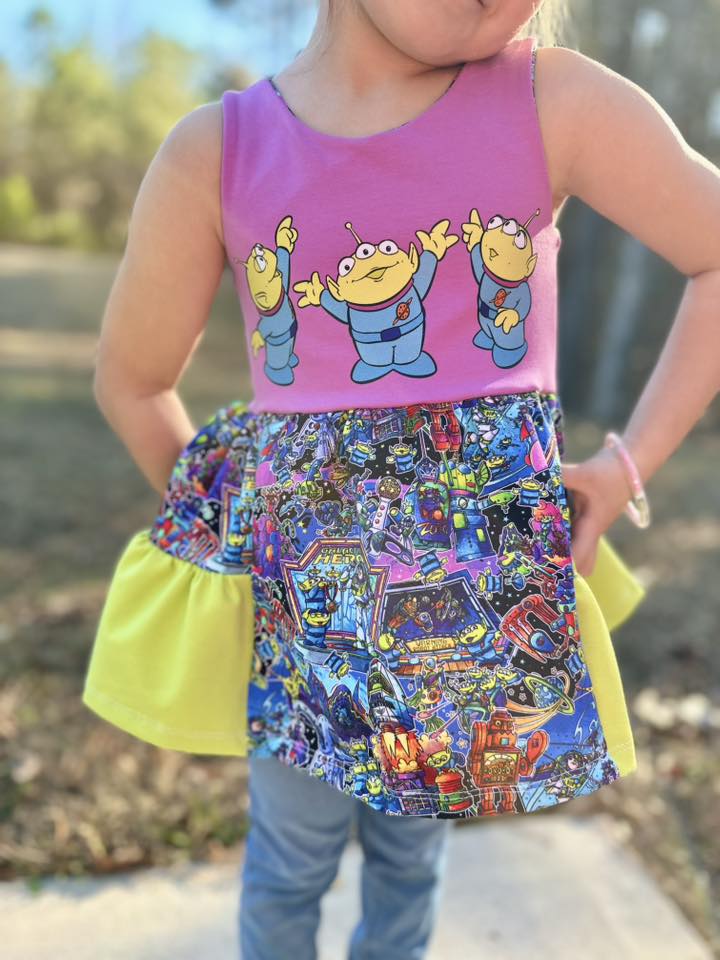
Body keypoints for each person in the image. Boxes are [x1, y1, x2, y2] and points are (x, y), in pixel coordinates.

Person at [82, 1, 720, 958]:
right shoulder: (218, 152)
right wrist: (239, 536)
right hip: (310, 633)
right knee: (289, 863)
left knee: (411, 863)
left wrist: (626, 466)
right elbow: (132, 380)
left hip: (460, 630)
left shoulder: (550, 102)